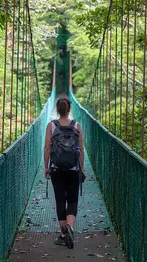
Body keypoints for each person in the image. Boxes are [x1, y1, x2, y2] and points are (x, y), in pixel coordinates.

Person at [44, 97, 85, 249]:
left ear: (58, 109)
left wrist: (46, 167)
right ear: (69, 110)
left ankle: (63, 234)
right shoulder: (77, 126)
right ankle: (70, 227)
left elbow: (47, 149)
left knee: (60, 200)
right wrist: (81, 168)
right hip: (73, 169)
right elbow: (80, 150)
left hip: (57, 169)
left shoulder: (51, 126)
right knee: (73, 200)